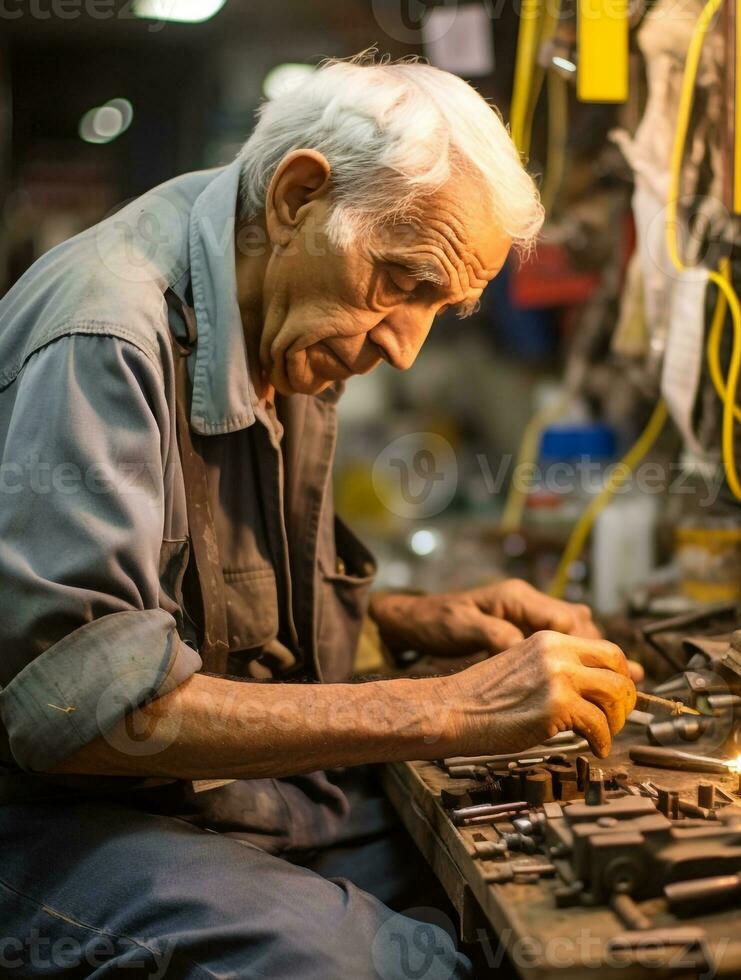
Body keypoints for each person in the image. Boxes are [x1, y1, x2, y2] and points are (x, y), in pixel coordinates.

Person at [0, 55, 641, 978]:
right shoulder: (107, 334)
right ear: (298, 193)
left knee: (530, 908)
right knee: (395, 968)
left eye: (443, 306)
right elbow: (82, 715)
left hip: (209, 803)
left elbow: (204, 621)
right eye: (404, 281)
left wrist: (394, 624)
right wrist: (451, 705)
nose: (406, 348)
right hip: (49, 822)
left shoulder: (280, 323)